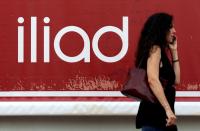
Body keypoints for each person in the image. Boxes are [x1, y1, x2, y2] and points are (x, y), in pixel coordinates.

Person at [135, 12, 180, 131]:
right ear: (161, 29)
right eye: (170, 27)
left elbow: (176, 80)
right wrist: (168, 110)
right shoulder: (155, 49)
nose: (174, 31)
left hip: (164, 118)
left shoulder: (161, 51)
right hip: (155, 116)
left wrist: (174, 51)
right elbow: (153, 79)